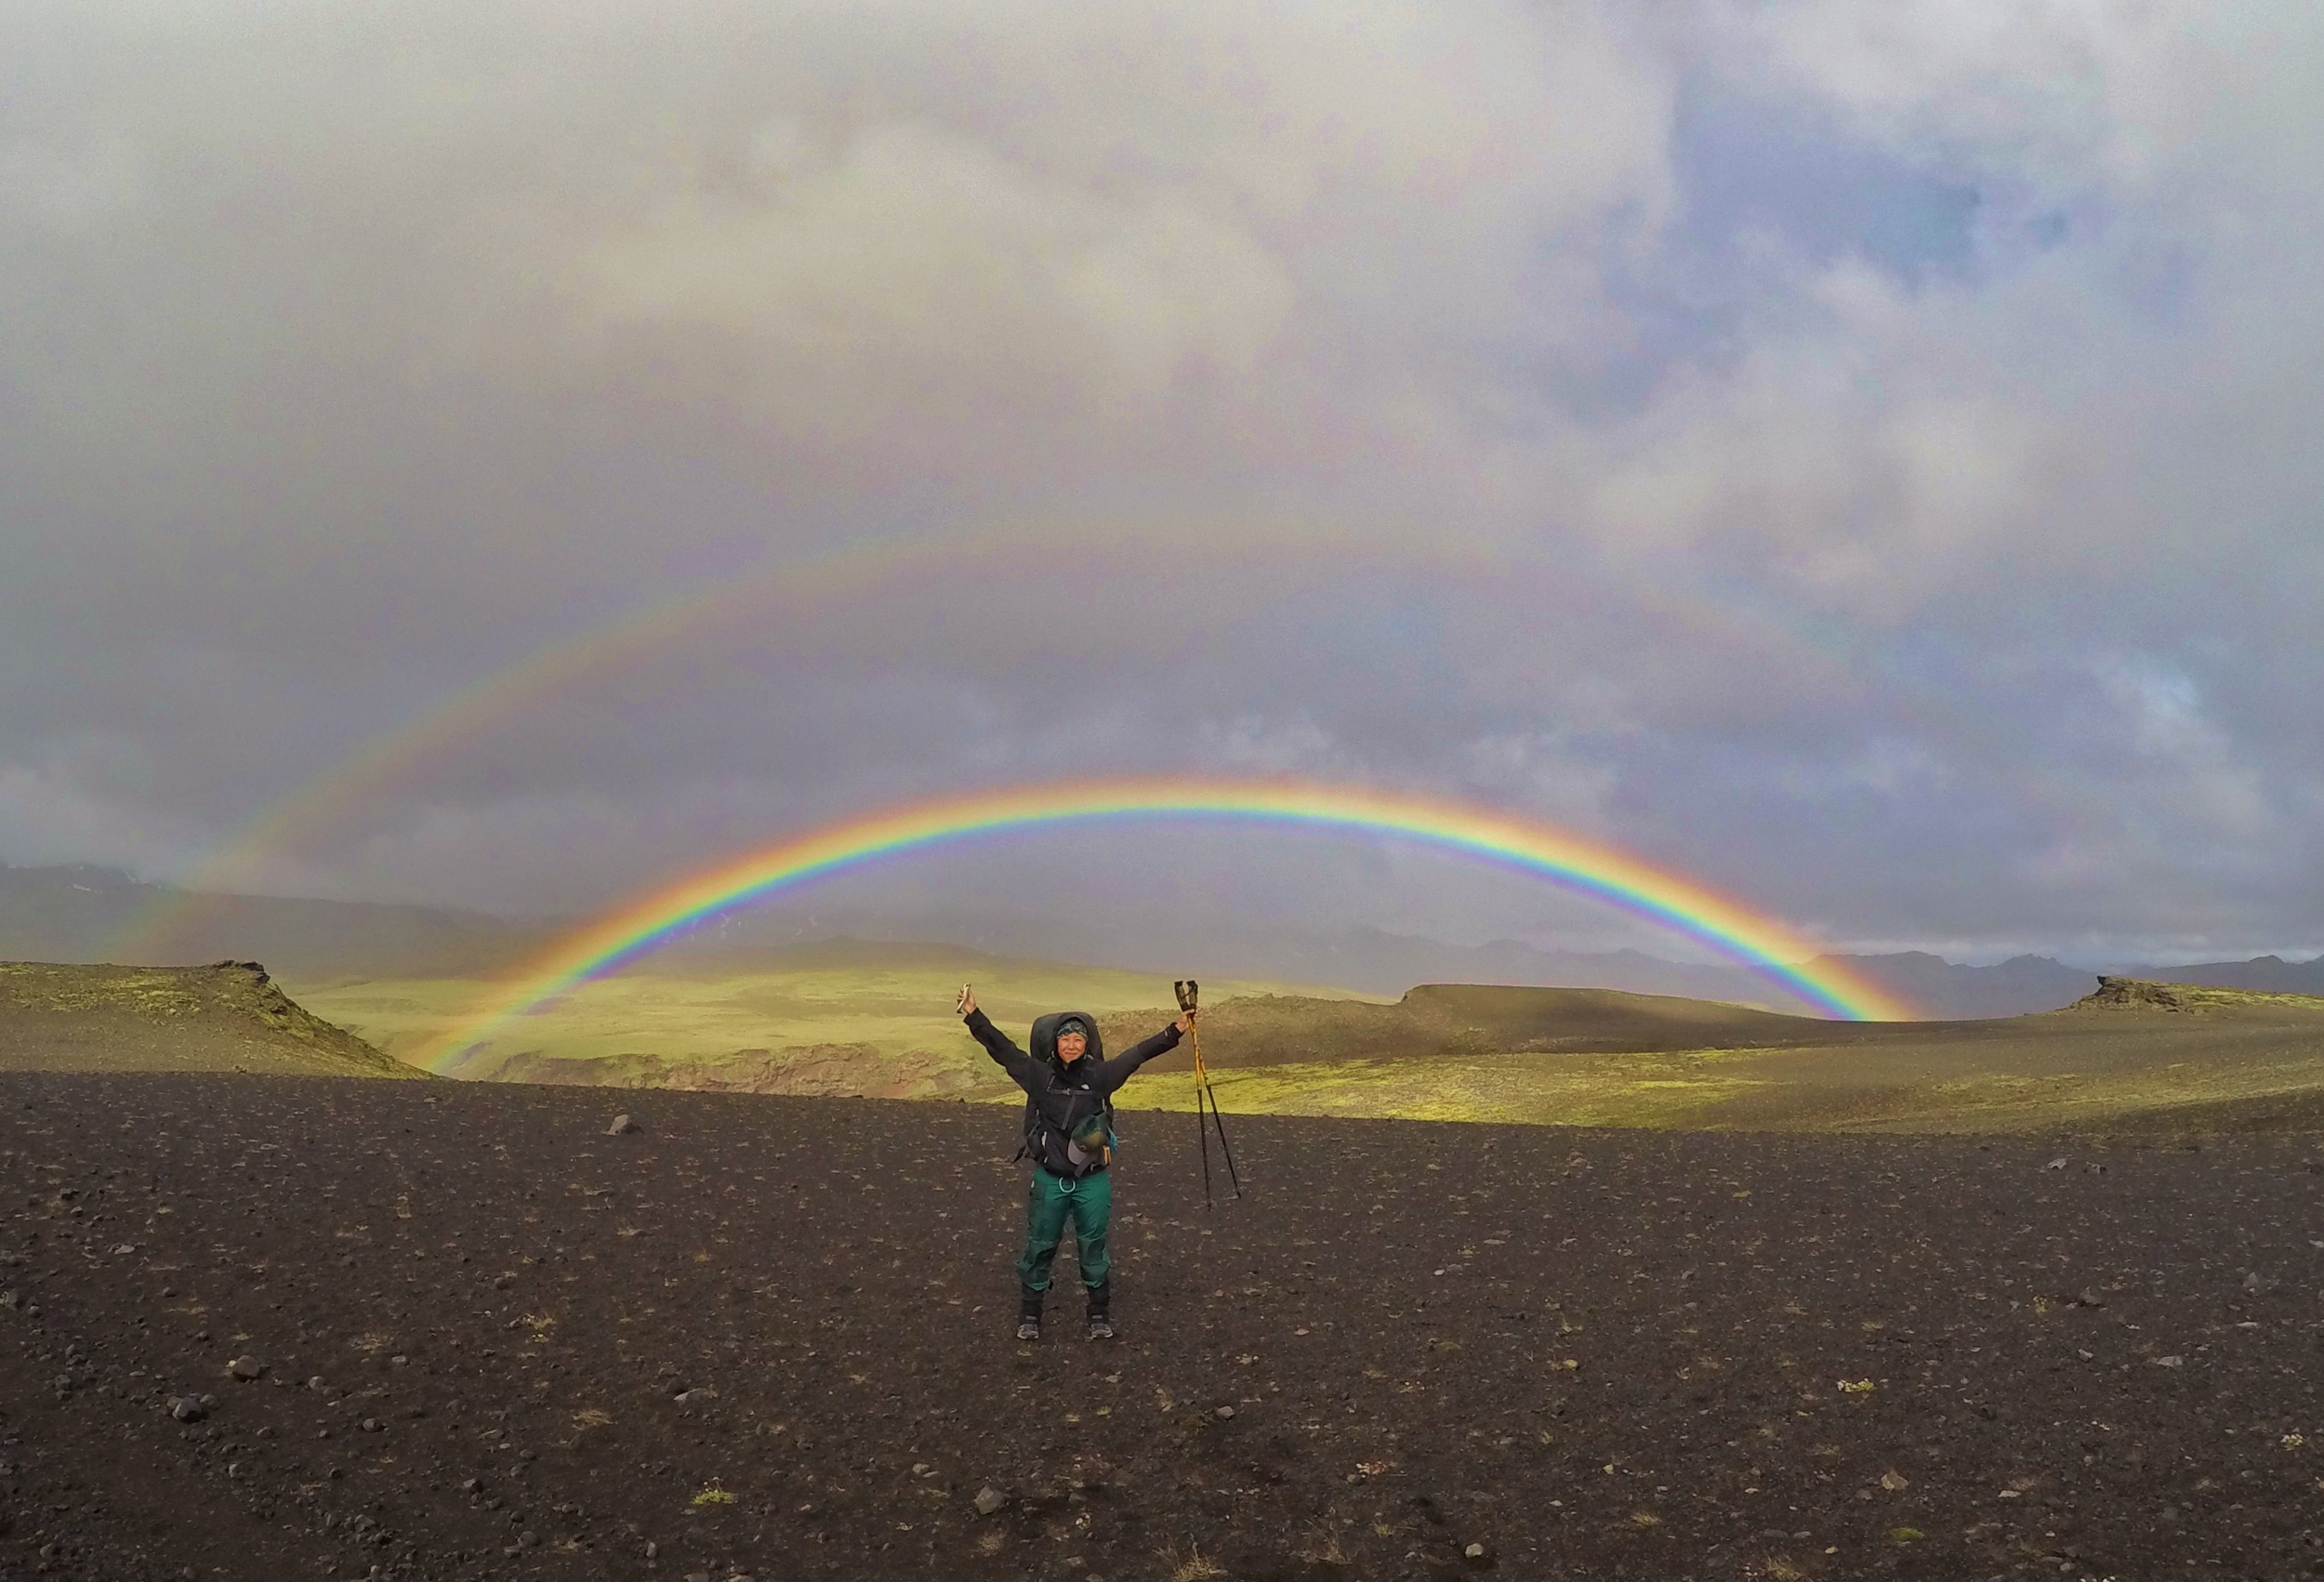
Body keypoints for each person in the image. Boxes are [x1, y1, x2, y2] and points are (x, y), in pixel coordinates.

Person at [957, 983, 1194, 1340]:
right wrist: (974, 1015)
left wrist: (1174, 1030)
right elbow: (1003, 1050)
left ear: (1087, 1045)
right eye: (1065, 1038)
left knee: (1093, 1245)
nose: (1071, 1044)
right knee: (1040, 1245)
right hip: (1051, 1178)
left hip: (1092, 1180)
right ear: (1055, 1043)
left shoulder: (1100, 1077)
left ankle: (1098, 1314)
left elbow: (1138, 1054)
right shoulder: (1038, 1076)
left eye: (1078, 1039)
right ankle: (1030, 1315)